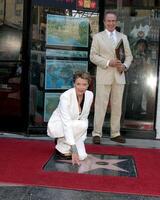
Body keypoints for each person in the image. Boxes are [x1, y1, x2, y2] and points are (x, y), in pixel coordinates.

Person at [90, 11, 133, 144]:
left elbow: (129, 56)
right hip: (104, 74)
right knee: (100, 105)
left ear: (116, 22)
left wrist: (124, 66)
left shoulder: (123, 37)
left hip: (119, 77)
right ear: (104, 22)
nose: (111, 23)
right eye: (108, 21)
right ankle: (97, 133)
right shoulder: (97, 37)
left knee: (117, 106)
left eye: (113, 21)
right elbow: (93, 56)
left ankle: (115, 133)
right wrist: (109, 63)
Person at [47, 71, 93, 165]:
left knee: (82, 156)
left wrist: (80, 141)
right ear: (73, 84)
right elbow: (66, 122)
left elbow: (84, 118)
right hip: (59, 125)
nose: (81, 87)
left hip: (75, 127)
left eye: (84, 84)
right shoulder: (66, 96)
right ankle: (61, 145)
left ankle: (64, 142)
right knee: (81, 125)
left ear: (88, 85)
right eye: (78, 84)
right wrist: (74, 148)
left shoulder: (89, 95)